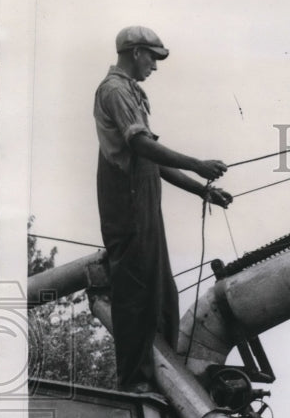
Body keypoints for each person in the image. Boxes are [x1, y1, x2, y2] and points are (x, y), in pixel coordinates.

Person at [94, 26, 233, 393]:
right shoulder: (115, 90)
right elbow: (141, 145)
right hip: (127, 205)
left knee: (163, 297)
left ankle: (162, 379)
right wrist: (197, 164)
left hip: (144, 203)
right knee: (138, 296)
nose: (154, 66)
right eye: (152, 57)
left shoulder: (131, 93)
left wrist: (202, 191)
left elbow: (151, 159)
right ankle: (136, 384)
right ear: (136, 51)